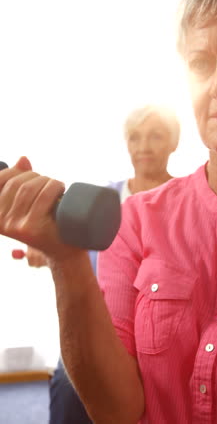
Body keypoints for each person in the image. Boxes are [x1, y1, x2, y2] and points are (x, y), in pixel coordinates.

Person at [1, 0, 217, 422]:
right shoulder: (136, 217)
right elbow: (117, 411)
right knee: (67, 389)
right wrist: (65, 258)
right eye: (201, 63)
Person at [19, 104, 180, 424]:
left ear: (173, 143)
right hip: (102, 323)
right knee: (68, 386)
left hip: (164, 325)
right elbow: (70, 250)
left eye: (155, 137)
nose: (144, 147)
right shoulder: (102, 199)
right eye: (135, 138)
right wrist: (47, 252)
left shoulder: (189, 201)